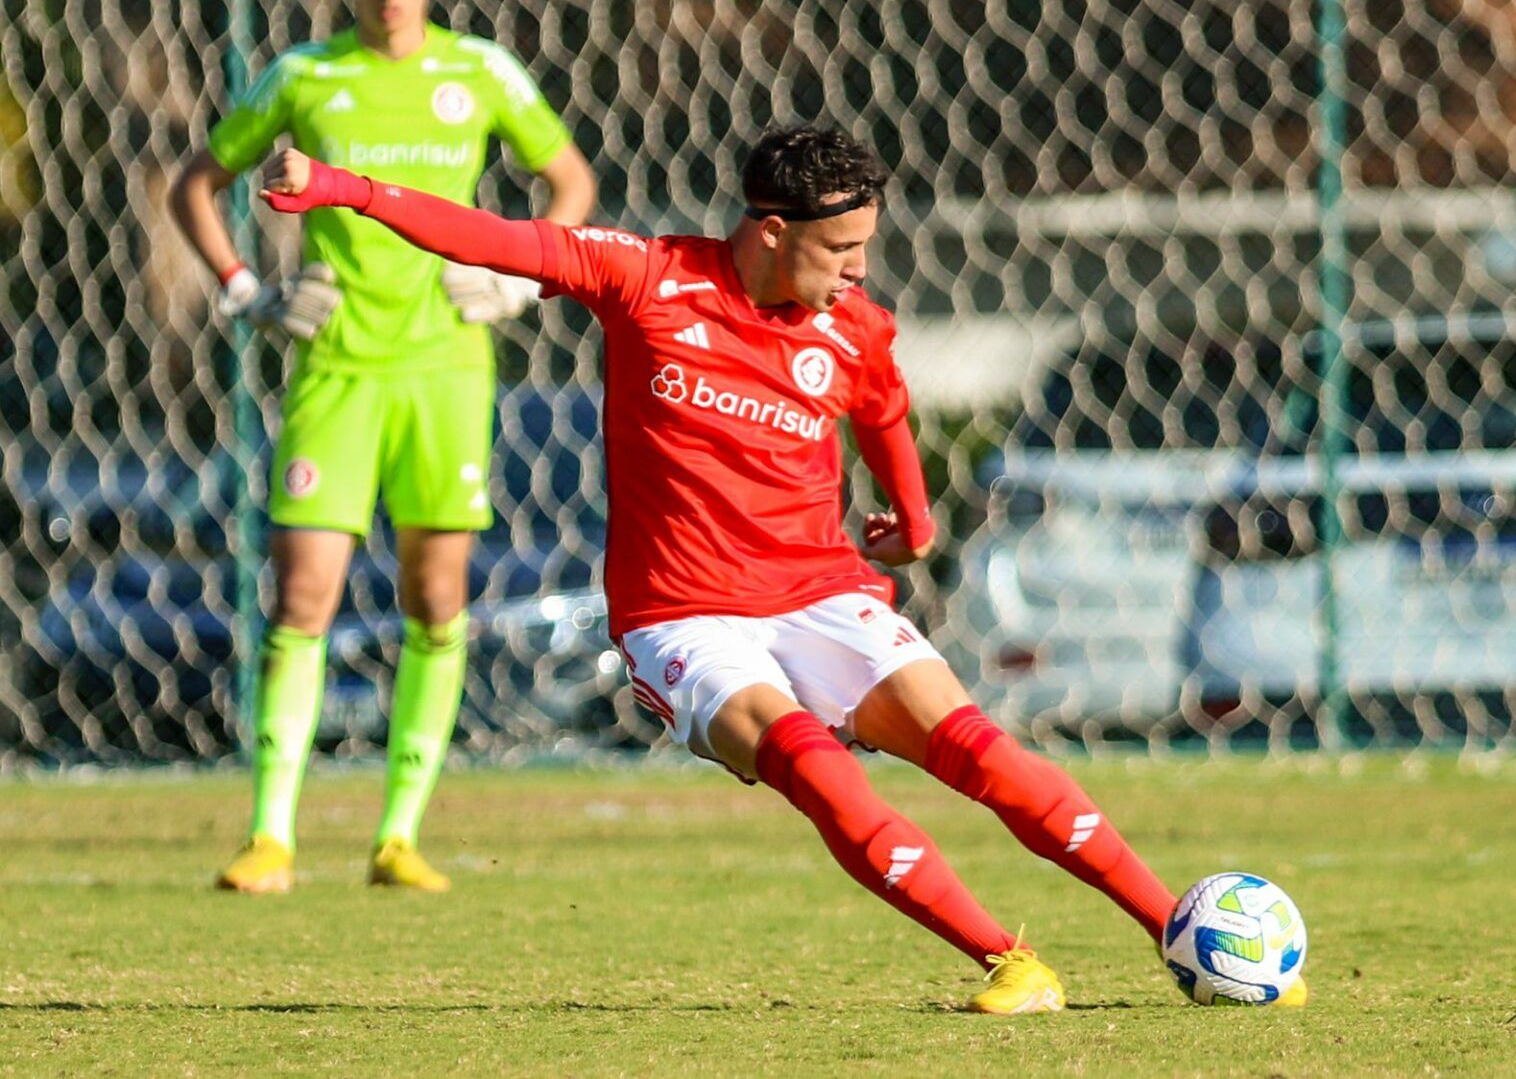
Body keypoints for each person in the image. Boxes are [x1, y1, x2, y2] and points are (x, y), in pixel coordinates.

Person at [256, 127, 1305, 1012]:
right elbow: (497, 237)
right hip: (684, 617)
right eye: (840, 248)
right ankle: (1009, 959)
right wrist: (339, 187)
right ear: (770, 232)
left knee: (978, 748)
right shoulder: (649, 277)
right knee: (812, 760)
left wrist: (915, 509)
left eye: (864, 247)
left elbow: (885, 407)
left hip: (823, 589)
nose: (857, 269)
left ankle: (1176, 926)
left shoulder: (852, 326)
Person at [168, 0, 597, 894]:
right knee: (302, 593)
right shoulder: (304, 77)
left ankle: (399, 833)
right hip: (336, 368)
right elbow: (198, 182)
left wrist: (524, 278)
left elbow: (568, 180)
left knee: (435, 597)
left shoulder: (479, 70)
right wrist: (247, 293)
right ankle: (271, 833)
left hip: (446, 367)